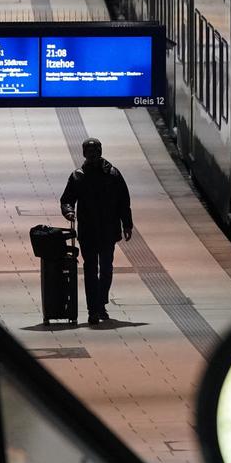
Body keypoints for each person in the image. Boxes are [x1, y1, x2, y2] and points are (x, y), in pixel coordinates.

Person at [60, 138, 133, 324]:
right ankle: (94, 309)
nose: (92, 155)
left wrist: (127, 224)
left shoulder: (113, 174)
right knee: (90, 269)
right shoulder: (78, 176)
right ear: (84, 153)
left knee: (106, 269)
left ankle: (100, 303)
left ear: (100, 151)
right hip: (88, 230)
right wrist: (68, 211)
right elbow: (67, 199)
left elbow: (123, 200)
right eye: (89, 151)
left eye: (95, 151)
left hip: (108, 229)